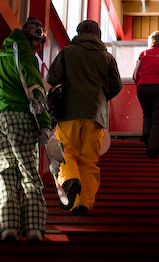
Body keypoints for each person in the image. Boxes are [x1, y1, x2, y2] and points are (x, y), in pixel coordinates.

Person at [0, 17, 51, 242]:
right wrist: (45, 123)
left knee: (5, 175)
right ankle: (33, 229)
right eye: (38, 42)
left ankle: (8, 228)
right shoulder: (25, 55)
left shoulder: (0, 58)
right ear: (30, 38)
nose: (39, 47)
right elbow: (35, 89)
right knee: (29, 174)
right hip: (20, 117)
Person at [47, 19, 122, 213]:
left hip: (69, 112)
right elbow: (116, 86)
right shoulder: (107, 57)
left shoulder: (67, 52)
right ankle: (83, 203)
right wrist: (101, 96)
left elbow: (52, 78)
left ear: (78, 34)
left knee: (66, 152)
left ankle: (70, 179)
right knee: (88, 160)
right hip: (96, 115)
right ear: (98, 35)